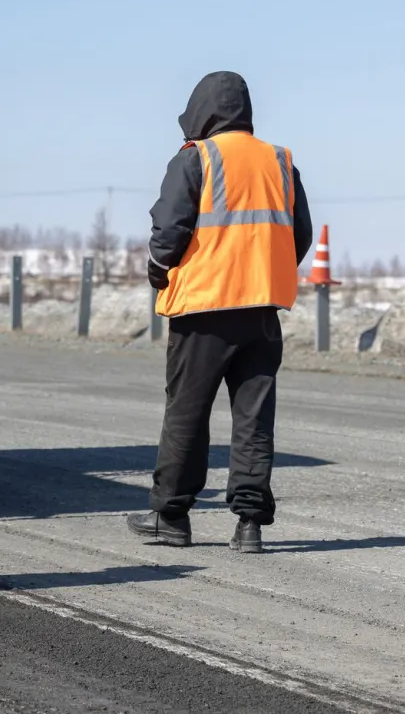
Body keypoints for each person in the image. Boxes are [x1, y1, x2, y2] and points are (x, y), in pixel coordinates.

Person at [132, 71, 313, 553]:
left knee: (187, 413)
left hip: (203, 311)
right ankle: (249, 525)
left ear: (202, 110)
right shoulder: (280, 162)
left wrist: (157, 270)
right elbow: (301, 235)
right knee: (253, 418)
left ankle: (171, 516)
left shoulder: (196, 158)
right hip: (261, 314)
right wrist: (265, 271)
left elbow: (167, 232)